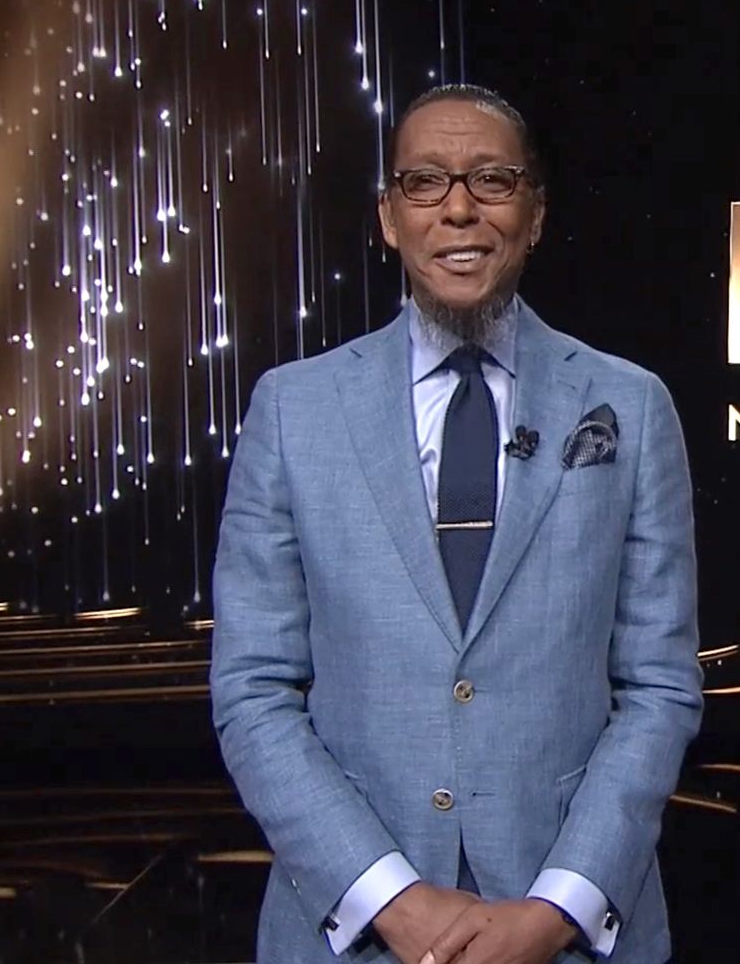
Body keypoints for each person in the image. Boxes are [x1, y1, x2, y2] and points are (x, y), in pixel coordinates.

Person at [210, 84, 702, 964]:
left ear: (536, 214)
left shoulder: (629, 404)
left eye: (492, 179)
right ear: (390, 218)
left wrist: (557, 908)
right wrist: (390, 899)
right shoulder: (293, 410)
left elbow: (659, 687)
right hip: (351, 932)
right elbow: (253, 690)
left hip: (570, 930)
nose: (461, 209)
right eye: (426, 183)